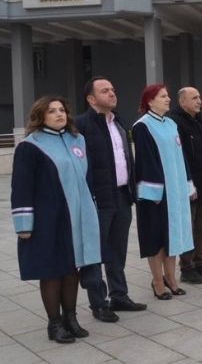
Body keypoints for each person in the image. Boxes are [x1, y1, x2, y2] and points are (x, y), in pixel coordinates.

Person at [12, 96, 101, 343]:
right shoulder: (30, 146)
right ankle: (55, 324)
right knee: (52, 270)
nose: (59, 114)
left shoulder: (77, 140)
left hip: (76, 216)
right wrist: (23, 225)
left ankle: (71, 318)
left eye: (62, 110)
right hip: (47, 219)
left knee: (72, 268)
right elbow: (21, 187)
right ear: (41, 116)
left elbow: (88, 179)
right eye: (52, 111)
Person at [76, 78, 146, 324]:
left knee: (118, 249)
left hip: (122, 195)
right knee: (96, 251)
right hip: (98, 198)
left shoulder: (119, 121)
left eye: (113, 90)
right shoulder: (81, 125)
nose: (112, 93)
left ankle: (119, 295)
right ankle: (98, 302)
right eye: (105, 91)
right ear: (91, 99)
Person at [133, 84, 195, 300]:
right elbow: (145, 161)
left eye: (168, 96)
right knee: (157, 238)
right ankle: (158, 281)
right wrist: (153, 193)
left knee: (174, 236)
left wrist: (188, 184)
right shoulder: (142, 126)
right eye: (163, 96)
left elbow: (181, 156)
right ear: (150, 101)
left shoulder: (171, 124)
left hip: (176, 191)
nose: (168, 99)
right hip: (157, 195)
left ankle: (171, 278)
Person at [167, 87, 202, 284]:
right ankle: (187, 266)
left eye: (199, 97)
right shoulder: (174, 122)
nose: (199, 101)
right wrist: (187, 184)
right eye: (194, 98)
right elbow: (178, 156)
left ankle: (200, 261)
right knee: (188, 226)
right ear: (182, 102)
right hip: (188, 184)